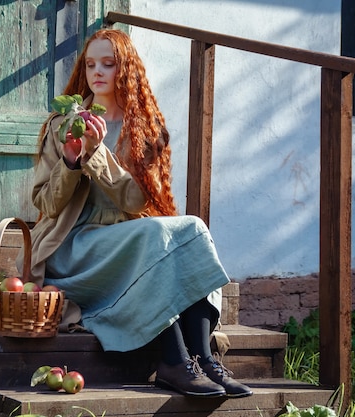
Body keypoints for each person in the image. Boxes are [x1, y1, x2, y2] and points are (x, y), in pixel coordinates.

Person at [17, 28, 252, 398]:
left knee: (192, 228)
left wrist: (99, 155)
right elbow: (46, 205)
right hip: (72, 247)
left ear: (125, 70)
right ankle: (173, 361)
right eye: (90, 63)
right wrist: (73, 159)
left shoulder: (143, 129)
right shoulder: (63, 125)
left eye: (107, 64)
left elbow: (135, 202)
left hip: (125, 240)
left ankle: (204, 360)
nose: (97, 72)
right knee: (152, 238)